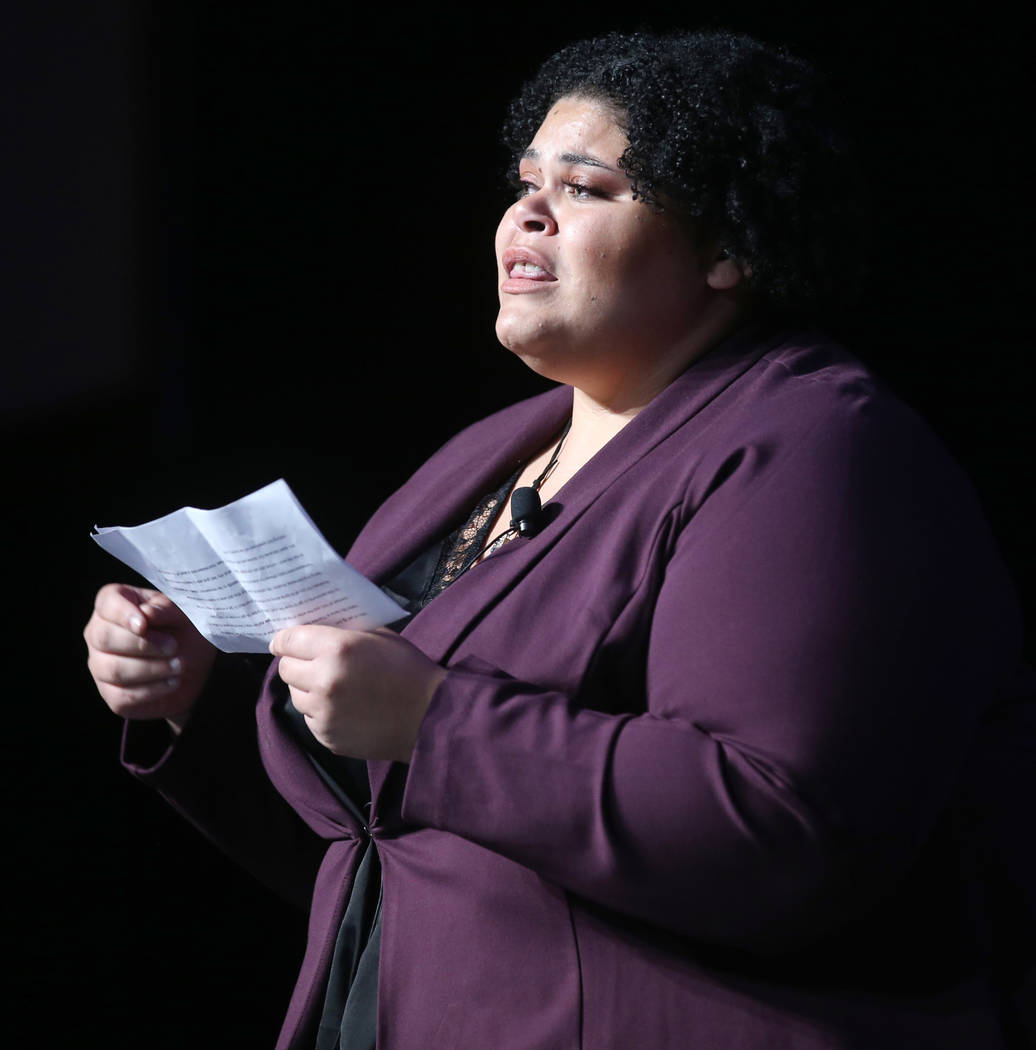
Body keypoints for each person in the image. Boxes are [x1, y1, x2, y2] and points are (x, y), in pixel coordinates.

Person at [84, 29, 1034, 1050]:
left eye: (585, 188)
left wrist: (436, 723)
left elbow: (781, 832)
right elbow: (394, 843)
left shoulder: (816, 447)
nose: (527, 214)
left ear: (728, 248)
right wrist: (196, 699)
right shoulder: (493, 451)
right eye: (526, 183)